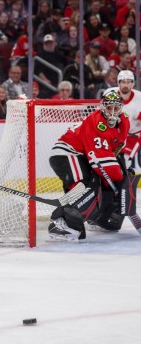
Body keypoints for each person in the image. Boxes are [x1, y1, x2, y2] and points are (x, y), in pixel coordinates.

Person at [48, 91, 130, 241]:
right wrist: (119, 183)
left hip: (82, 156)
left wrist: (122, 176)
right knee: (88, 186)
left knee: (95, 185)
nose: (112, 112)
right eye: (108, 107)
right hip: (67, 154)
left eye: (116, 108)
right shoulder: (96, 123)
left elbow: (117, 151)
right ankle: (62, 224)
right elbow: (101, 161)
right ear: (102, 107)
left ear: (121, 108)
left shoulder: (124, 121)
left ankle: (98, 218)